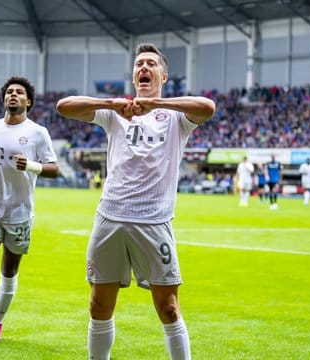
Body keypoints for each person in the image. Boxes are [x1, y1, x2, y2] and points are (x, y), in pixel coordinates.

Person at [56, 43, 215, 360]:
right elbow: (63, 106)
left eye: (151, 64)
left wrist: (154, 103)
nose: (144, 67)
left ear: (163, 75)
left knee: (168, 308)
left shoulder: (176, 116)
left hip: (154, 222)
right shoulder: (115, 113)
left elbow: (207, 107)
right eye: (139, 63)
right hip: (110, 218)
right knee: (99, 305)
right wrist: (111, 104)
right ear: (133, 74)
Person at [0, 76, 59, 343]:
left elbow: (54, 168)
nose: (13, 95)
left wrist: (31, 165)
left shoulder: (38, 132)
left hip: (20, 212)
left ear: (28, 101)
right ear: (4, 99)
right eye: (9, 92)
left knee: (9, 272)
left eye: (19, 92)